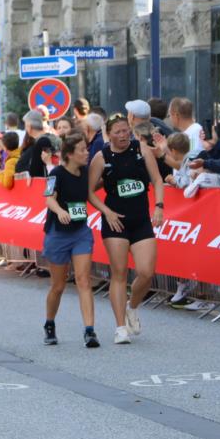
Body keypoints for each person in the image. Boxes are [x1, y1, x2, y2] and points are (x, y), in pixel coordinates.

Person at [87, 114, 165, 345]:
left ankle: (132, 307)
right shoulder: (102, 157)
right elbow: (90, 191)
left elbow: (157, 179)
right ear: (109, 134)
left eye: (125, 131)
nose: (123, 136)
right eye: (118, 132)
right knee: (119, 273)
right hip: (115, 221)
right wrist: (106, 211)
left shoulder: (141, 149)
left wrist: (159, 206)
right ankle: (120, 327)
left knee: (146, 272)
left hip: (140, 219)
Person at [43, 132, 99, 348]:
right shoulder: (55, 173)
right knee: (58, 286)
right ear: (69, 154)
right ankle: (49, 323)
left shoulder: (86, 172)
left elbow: (95, 187)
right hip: (58, 233)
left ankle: (89, 330)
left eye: (87, 148)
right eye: (83, 150)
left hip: (80, 232)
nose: (87, 153)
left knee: (84, 280)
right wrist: (59, 211)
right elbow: (49, 198)